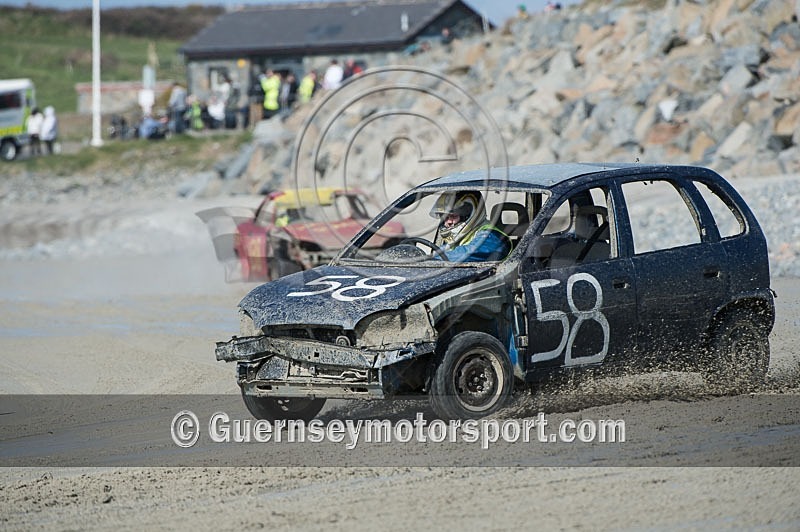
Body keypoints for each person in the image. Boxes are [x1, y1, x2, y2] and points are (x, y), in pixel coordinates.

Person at [430, 191, 510, 262]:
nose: (448, 222)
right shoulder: (457, 238)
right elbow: (440, 253)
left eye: (453, 216)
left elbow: (469, 252)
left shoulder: (492, 236)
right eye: (445, 217)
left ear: (468, 215)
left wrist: (431, 259)